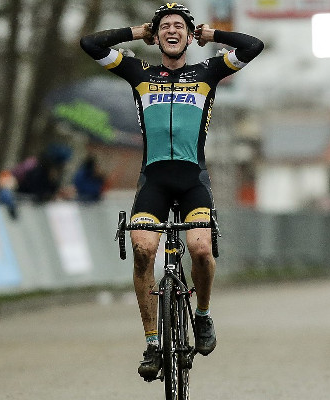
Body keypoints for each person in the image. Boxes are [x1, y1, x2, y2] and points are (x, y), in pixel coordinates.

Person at [80, 3, 264, 381]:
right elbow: (91, 43)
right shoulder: (139, 72)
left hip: (193, 179)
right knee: (144, 249)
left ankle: (203, 316)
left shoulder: (207, 71)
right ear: (158, 35)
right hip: (154, 181)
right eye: (165, 27)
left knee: (200, 249)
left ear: (188, 34)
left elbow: (253, 45)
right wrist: (136, 32)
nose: (172, 31)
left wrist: (214, 37)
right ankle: (152, 342)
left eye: (179, 26)